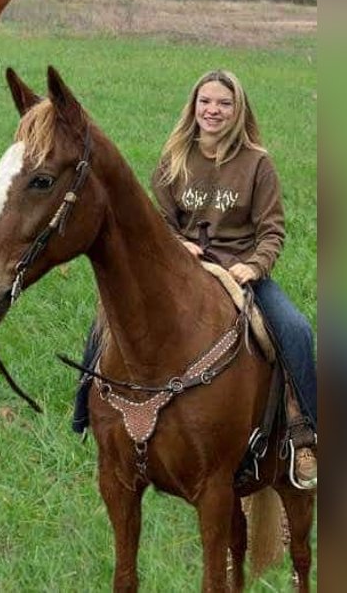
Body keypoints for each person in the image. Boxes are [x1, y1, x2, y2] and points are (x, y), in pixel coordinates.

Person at [72, 69, 317, 490]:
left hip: (239, 272)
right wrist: (175, 244)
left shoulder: (257, 163)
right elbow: (158, 223)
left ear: (237, 110)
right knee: (108, 325)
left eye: (224, 103)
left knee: (295, 329)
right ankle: (85, 409)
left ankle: (304, 433)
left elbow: (272, 230)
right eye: (206, 102)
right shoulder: (175, 160)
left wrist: (254, 266)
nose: (213, 110)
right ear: (194, 107)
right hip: (181, 272)